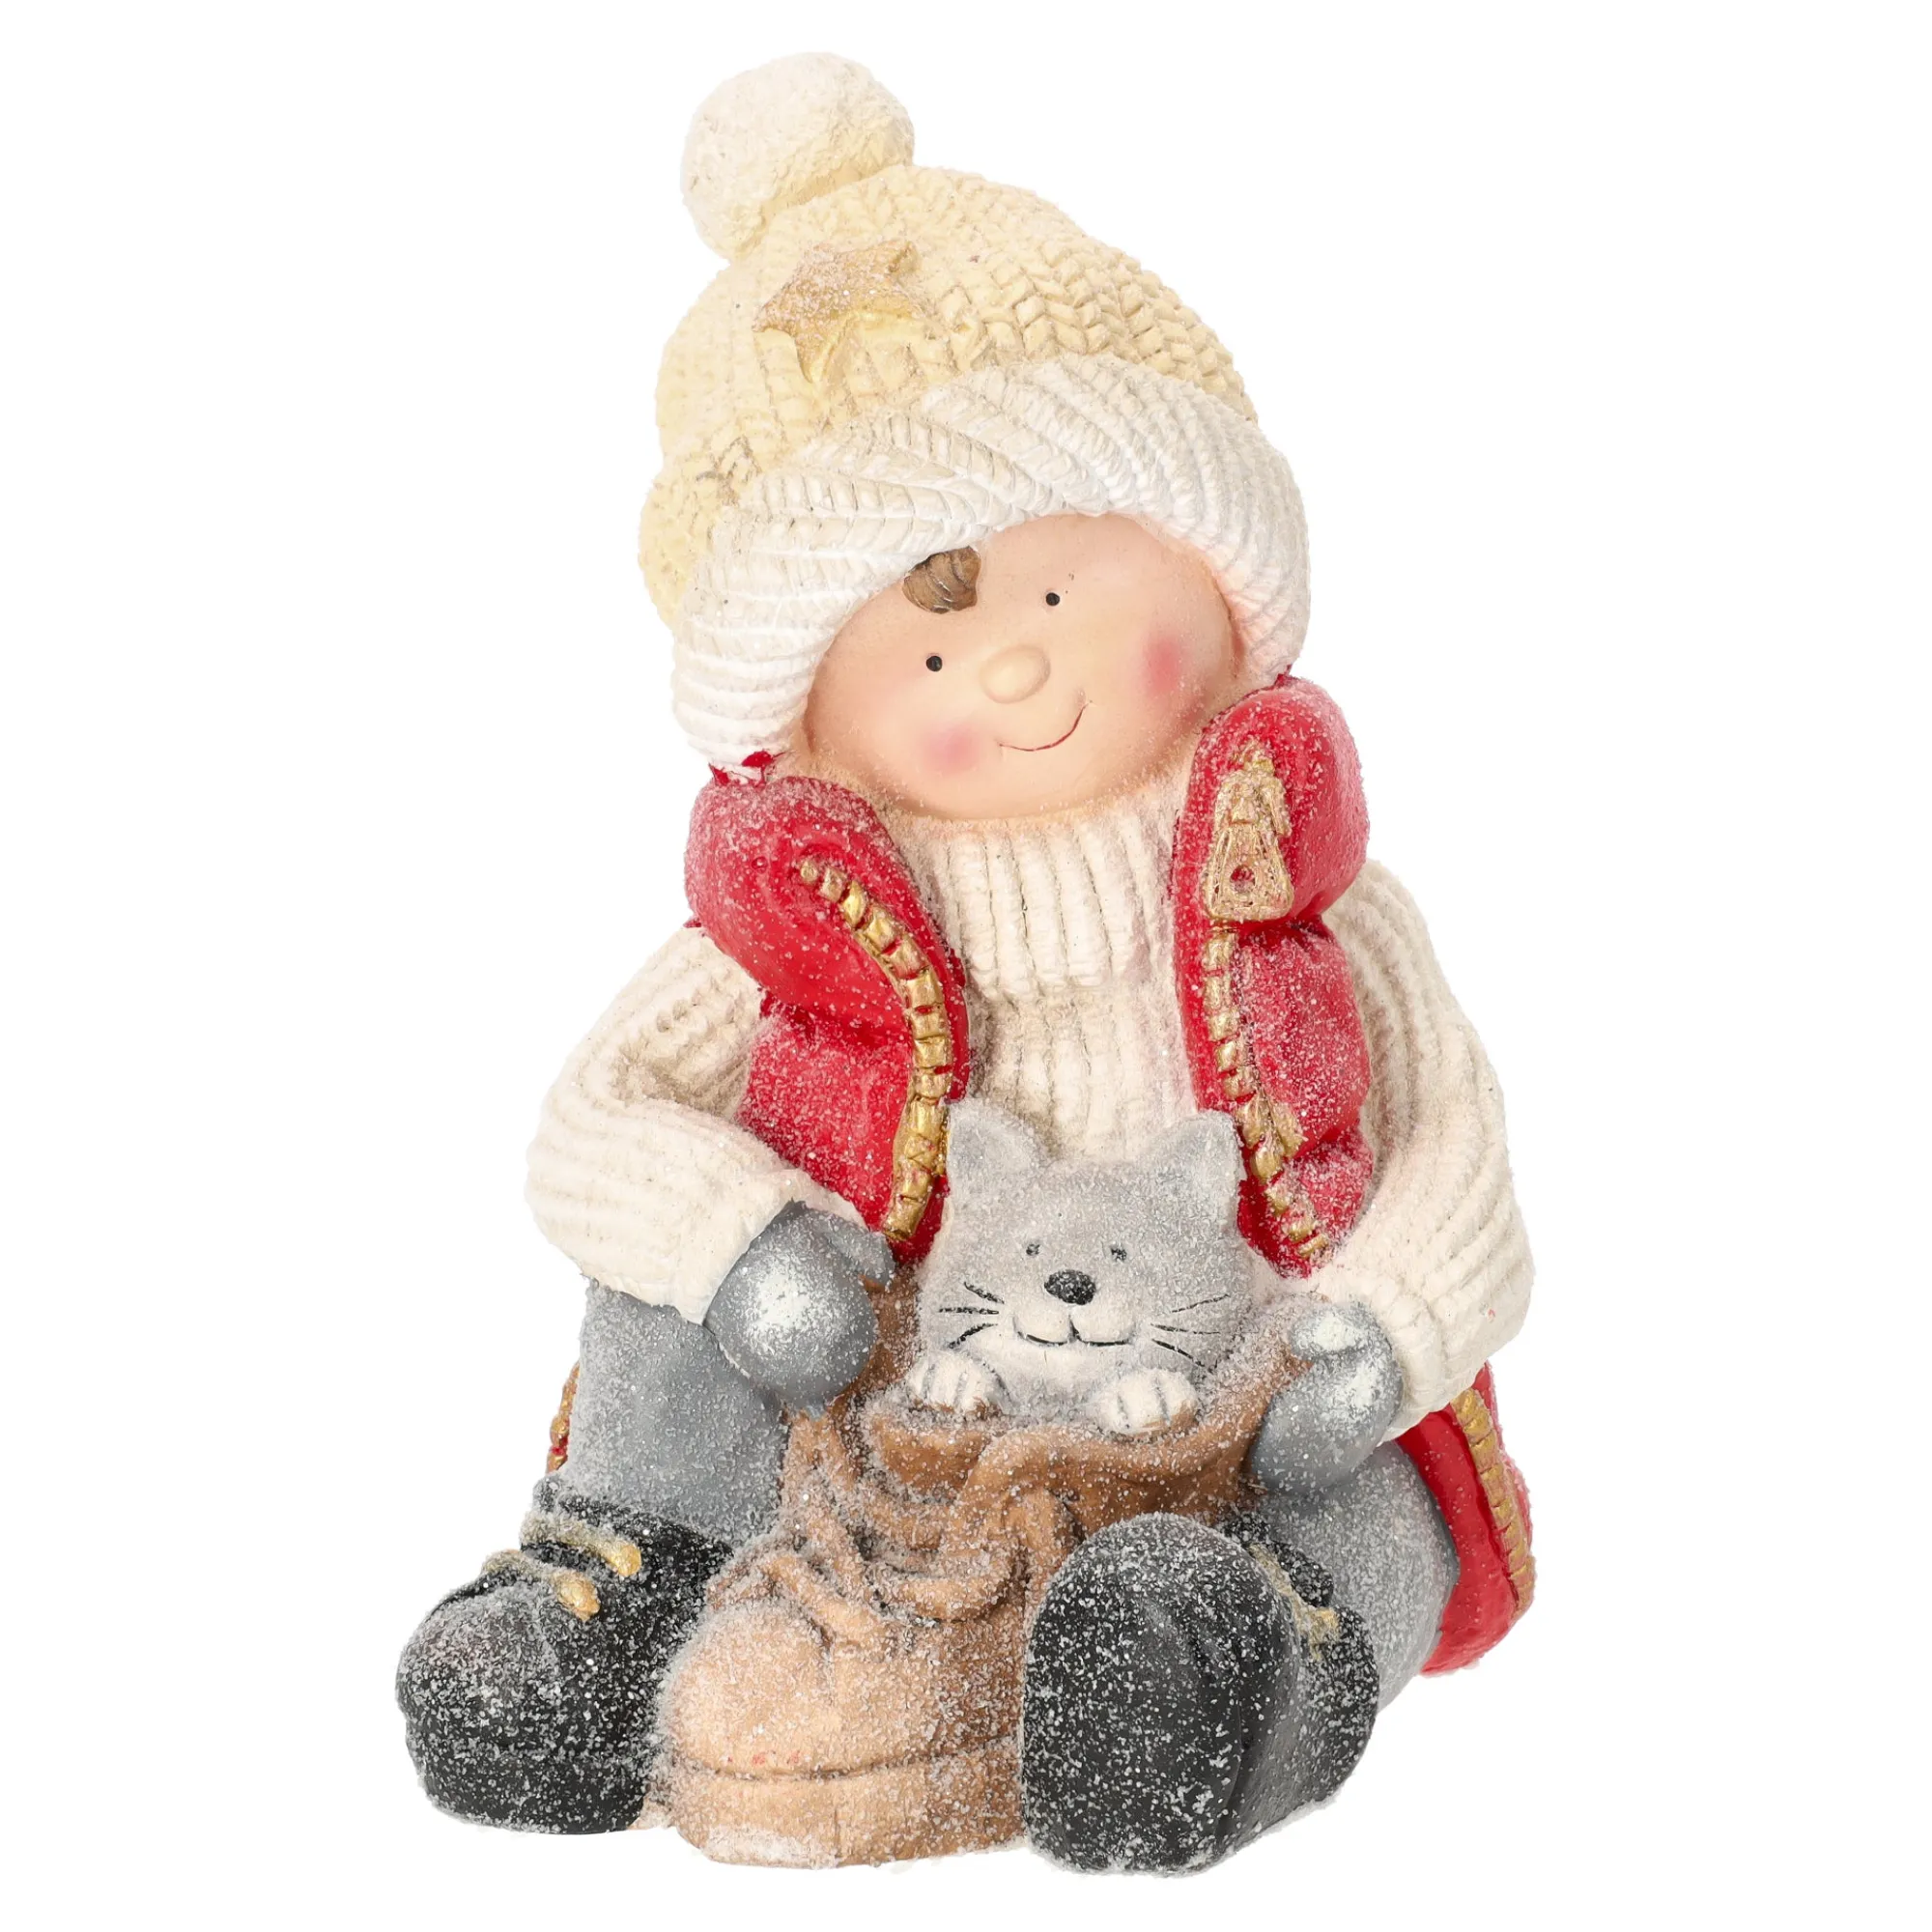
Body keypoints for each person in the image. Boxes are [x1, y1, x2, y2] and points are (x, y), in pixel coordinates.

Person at [397, 54, 1534, 1867]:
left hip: (1243, 1396)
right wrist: (736, 1240)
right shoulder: (802, 928)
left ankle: (1227, 1663)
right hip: (902, 1419)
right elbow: (597, 1120)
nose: (1012, 663)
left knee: (1362, 1512)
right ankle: (627, 1584)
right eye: (927, 649)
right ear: (815, 722)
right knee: (670, 1269)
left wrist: (1387, 1332)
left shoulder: (1292, 895)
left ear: (1217, 576)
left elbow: (1454, 1138)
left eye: (1067, 587)